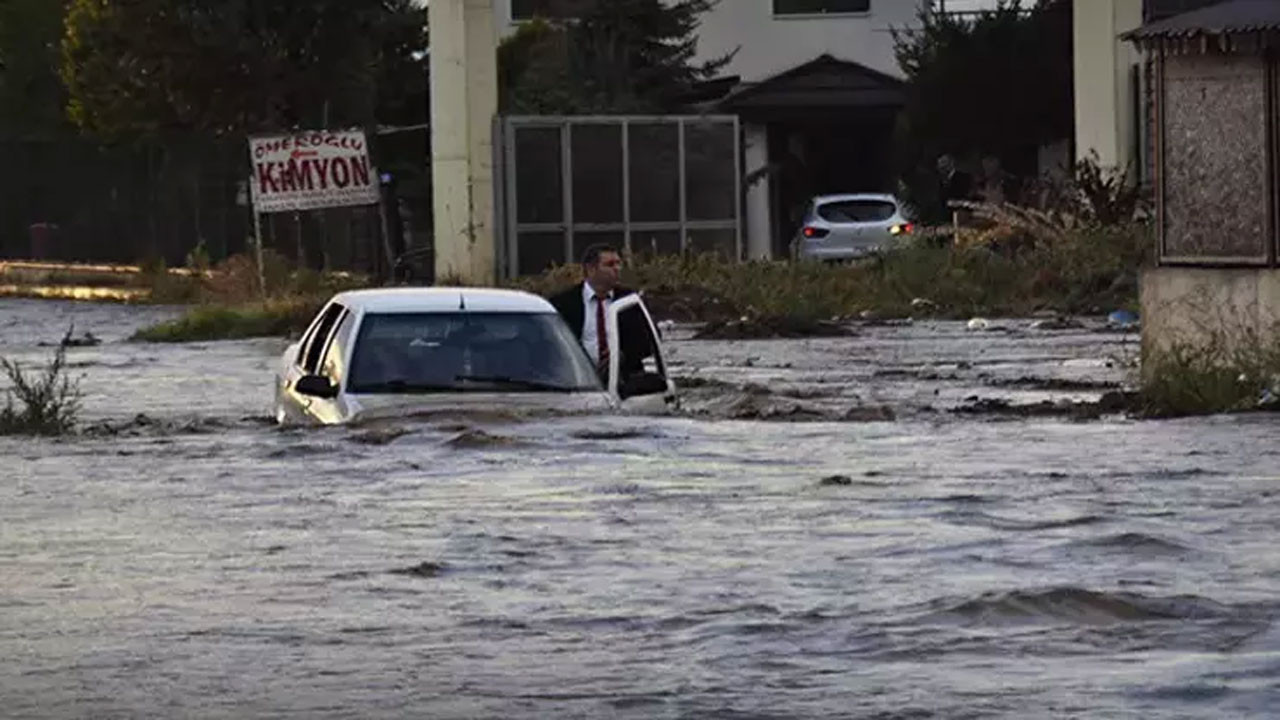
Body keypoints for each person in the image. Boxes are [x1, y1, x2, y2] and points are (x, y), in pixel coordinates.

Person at [548, 244, 651, 383]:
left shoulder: (629, 301)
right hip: (576, 381)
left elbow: (650, 340)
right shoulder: (563, 303)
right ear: (591, 269)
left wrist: (621, 355)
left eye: (618, 264)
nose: (617, 269)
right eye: (610, 265)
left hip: (624, 381)